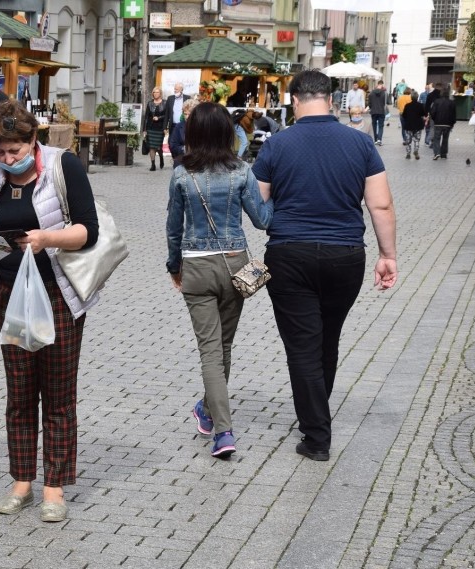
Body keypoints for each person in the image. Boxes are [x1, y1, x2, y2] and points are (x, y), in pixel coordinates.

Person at [0, 100, 99, 523]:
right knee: (18, 394)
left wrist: (48, 238)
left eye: (14, 150)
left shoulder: (63, 166)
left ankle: (53, 488)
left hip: (58, 294)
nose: (7, 159)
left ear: (33, 139)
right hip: (9, 294)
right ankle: (21, 482)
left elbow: (87, 231)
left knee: (57, 394)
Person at [251, 70, 398, 462]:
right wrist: (389, 256)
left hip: (289, 254)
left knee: (302, 346)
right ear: (330, 100)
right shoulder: (361, 144)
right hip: (345, 255)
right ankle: (316, 415)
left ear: (295, 99)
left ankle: (316, 436)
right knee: (326, 338)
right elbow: (380, 204)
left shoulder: (276, 145)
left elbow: (257, 208)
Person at [165, 102, 273, 459]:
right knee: (223, 347)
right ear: (229, 132)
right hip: (234, 266)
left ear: (193, 134)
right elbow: (261, 219)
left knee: (211, 350)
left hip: (195, 267)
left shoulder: (182, 173)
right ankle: (212, 416)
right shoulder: (241, 170)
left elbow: (173, 227)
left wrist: (174, 265)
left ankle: (220, 427)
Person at [168, 98, 199, 167]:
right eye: (185, 114)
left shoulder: (202, 126)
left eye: (189, 114)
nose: (187, 117)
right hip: (182, 162)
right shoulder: (179, 126)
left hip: (199, 163)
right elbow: (173, 146)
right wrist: (185, 149)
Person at [143, 87, 167, 170]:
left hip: (160, 128)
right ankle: (153, 164)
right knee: (151, 147)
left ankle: (161, 157)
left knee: (158, 147)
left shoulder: (165, 103)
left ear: (160, 93)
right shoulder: (150, 103)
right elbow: (146, 117)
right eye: (154, 92)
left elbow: (167, 116)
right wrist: (144, 130)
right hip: (151, 127)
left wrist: (159, 118)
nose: (155, 94)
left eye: (157, 92)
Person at [429, 88, 456, 160]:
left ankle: (437, 153)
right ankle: (444, 154)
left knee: (436, 139)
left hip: (438, 123)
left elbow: (432, 112)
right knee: (445, 139)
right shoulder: (452, 102)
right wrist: (452, 123)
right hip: (447, 124)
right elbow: (454, 114)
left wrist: (435, 120)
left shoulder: (436, 101)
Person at [401, 91, 427, 160]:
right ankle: (416, 151)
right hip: (418, 126)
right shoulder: (421, 105)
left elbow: (404, 115)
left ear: (411, 97)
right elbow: (424, 114)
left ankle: (408, 154)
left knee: (408, 141)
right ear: (417, 97)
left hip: (409, 125)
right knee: (417, 140)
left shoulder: (407, 105)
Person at [368, 81, 387, 145]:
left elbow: (369, 103)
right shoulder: (384, 93)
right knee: (381, 126)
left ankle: (375, 139)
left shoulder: (371, 93)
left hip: (373, 111)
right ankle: (379, 139)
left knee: (374, 125)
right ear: (382, 85)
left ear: (377, 85)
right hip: (381, 111)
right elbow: (386, 103)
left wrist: (371, 107)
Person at [424, 82, 443, 147]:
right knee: (437, 129)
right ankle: (432, 142)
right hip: (440, 115)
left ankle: (430, 141)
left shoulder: (430, 95)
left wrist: (426, 115)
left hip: (432, 114)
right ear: (440, 87)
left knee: (432, 128)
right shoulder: (441, 96)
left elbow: (426, 106)